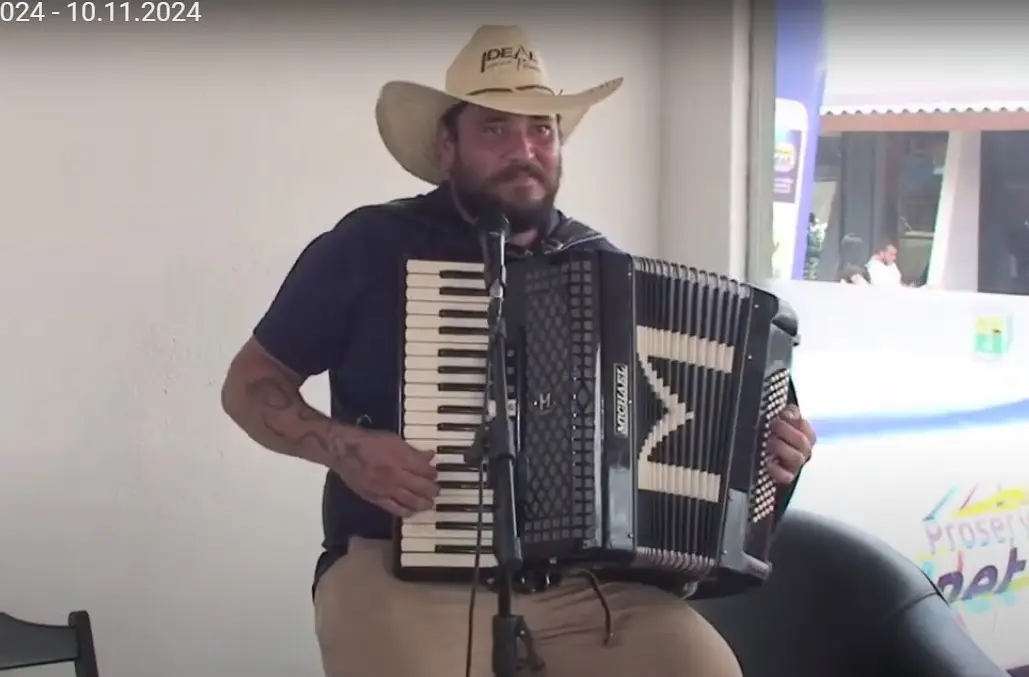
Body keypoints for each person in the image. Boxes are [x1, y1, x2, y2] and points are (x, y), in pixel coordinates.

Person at [220, 24, 817, 677]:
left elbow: (679, 439)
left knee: (703, 667)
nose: (523, 148)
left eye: (541, 130)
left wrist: (764, 452)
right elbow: (250, 382)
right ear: (447, 146)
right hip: (394, 568)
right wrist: (343, 447)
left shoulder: (601, 267)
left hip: (576, 584)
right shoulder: (368, 245)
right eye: (495, 129)